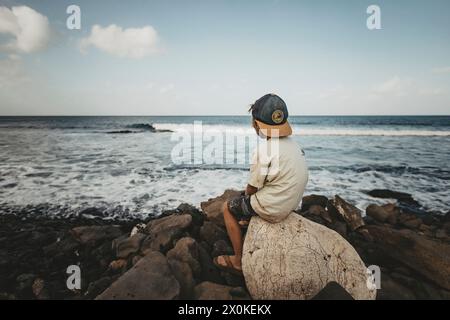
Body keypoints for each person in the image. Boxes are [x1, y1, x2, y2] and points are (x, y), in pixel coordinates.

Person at [213, 94, 309, 274]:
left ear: (256, 124)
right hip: (291, 204)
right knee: (254, 197)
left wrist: (244, 200)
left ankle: (238, 260)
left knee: (227, 207)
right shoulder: (295, 146)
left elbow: (252, 188)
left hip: (274, 208)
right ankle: (248, 221)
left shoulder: (265, 150)